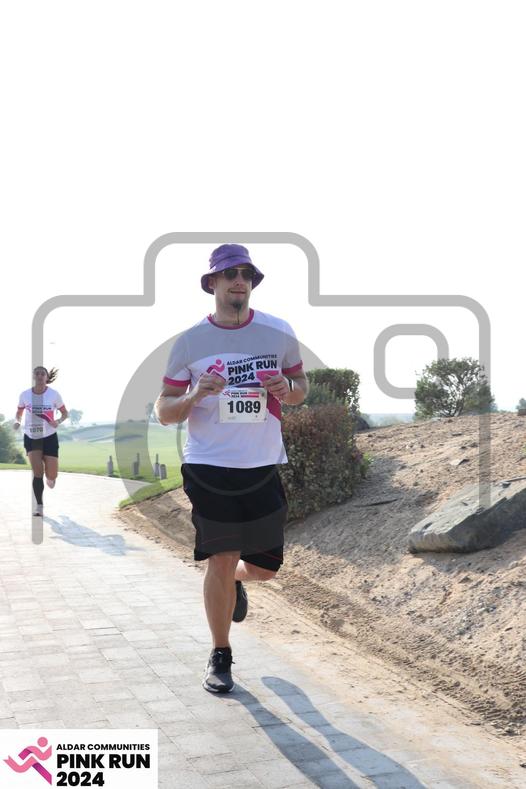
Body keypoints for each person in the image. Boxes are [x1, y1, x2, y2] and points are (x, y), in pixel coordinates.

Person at [155, 243, 308, 693]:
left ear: (252, 283)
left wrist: (287, 388)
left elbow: (301, 387)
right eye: (230, 274)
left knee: (264, 569)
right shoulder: (189, 342)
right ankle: (220, 654)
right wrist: (195, 394)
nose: (239, 280)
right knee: (220, 557)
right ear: (213, 283)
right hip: (209, 466)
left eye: (246, 274)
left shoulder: (278, 332)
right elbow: (164, 411)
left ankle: (238, 581)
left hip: (262, 465)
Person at [13, 366, 69, 516]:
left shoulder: (54, 394)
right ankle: (39, 506)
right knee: (38, 472)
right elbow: (19, 413)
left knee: (51, 475)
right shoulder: (25, 395)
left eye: (42, 374)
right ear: (33, 376)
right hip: (32, 437)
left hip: (49, 436)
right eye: (37, 373)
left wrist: (58, 421)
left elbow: (65, 413)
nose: (39, 376)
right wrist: (17, 421)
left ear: (46, 377)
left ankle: (51, 478)